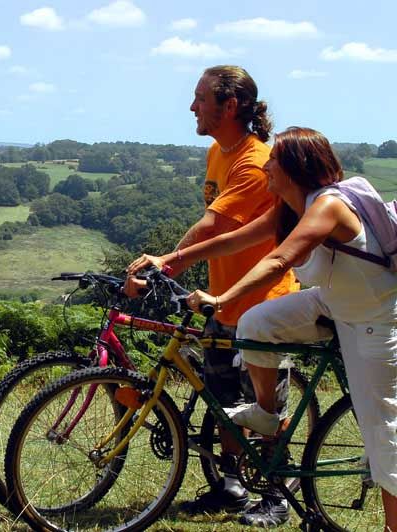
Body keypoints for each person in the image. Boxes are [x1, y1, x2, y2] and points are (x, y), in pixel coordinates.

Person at [139, 126, 397, 531]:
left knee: (384, 435)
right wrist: (170, 259)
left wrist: (221, 298)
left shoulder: (327, 207)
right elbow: (233, 240)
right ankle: (265, 412)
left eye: (273, 159)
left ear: (293, 168)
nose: (267, 165)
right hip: (333, 302)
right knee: (256, 321)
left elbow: (279, 261)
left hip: (373, 321)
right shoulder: (289, 206)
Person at [124, 65, 299, 527]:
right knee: (222, 400)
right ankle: (232, 487)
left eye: (201, 98)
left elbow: (214, 226)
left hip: (263, 302)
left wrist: (168, 260)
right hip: (222, 298)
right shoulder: (217, 154)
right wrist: (177, 264)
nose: (192, 106)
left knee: (264, 409)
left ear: (231, 105)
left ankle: (279, 496)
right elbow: (215, 228)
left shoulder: (255, 161)